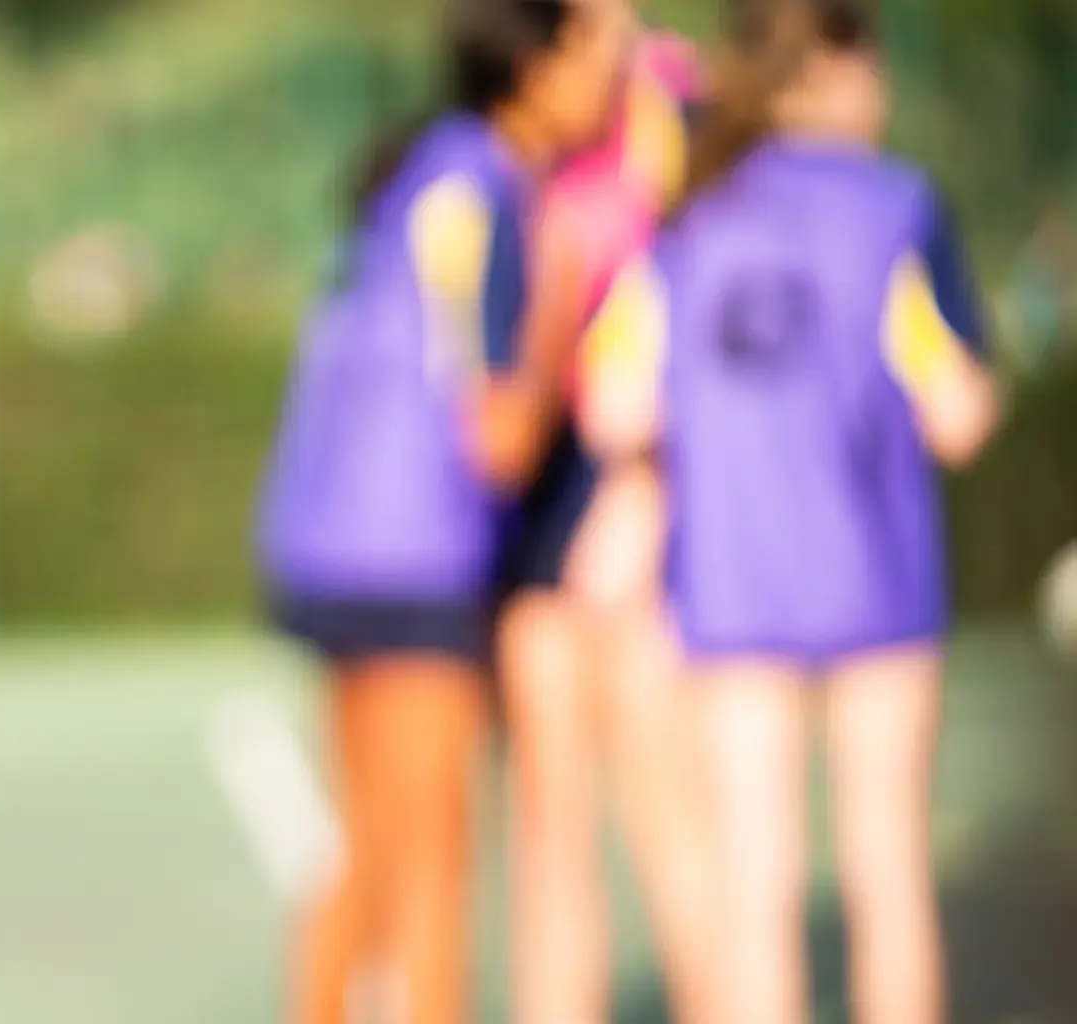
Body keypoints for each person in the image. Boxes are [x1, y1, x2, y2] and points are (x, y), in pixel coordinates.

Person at [584, 0, 999, 1020]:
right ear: (834, 71)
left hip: (731, 589)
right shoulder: (894, 208)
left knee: (753, 886)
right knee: (887, 867)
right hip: (879, 584)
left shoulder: (689, 220)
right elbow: (958, 415)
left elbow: (612, 403)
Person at [254, 1, 632, 1020]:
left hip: (334, 541)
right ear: (535, 63)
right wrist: (563, 304)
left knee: (369, 852)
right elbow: (496, 434)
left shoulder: (423, 168)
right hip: (408, 553)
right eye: (604, 52)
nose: (621, 77)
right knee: (428, 866)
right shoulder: (482, 192)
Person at [498, 27, 716, 1024]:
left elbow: (709, 294)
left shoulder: (672, 101)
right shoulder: (523, 112)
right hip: (541, 501)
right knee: (551, 826)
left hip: (640, 482)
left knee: (667, 814)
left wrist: (646, 487)